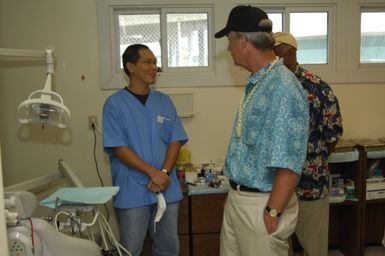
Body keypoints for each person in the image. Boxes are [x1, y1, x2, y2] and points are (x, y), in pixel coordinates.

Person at [215, 5, 309, 256]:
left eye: (229, 40)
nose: (228, 48)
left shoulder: (283, 87)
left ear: (243, 41)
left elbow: (289, 161)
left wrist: (272, 211)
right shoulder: (259, 82)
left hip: (263, 205)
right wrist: (235, 192)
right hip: (241, 200)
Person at [102, 44, 188, 256]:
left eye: (155, 63)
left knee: (169, 248)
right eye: (147, 62)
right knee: (130, 249)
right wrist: (153, 173)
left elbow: (175, 140)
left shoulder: (164, 102)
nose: (154, 68)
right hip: (133, 190)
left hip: (166, 188)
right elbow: (118, 148)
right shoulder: (114, 105)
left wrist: (164, 174)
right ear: (130, 66)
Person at [273, 32, 343, 256]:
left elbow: (332, 134)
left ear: (292, 53)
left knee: (313, 246)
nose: (274, 59)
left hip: (310, 183)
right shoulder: (269, 86)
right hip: (274, 183)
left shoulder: (317, 88)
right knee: (278, 245)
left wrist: (312, 159)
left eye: (278, 54)